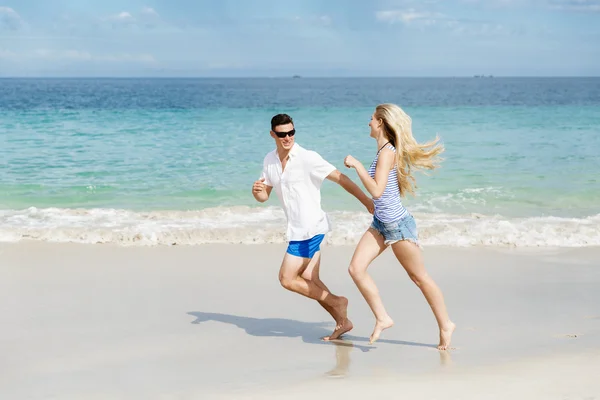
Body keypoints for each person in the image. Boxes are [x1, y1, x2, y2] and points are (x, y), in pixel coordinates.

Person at [343, 103, 455, 350]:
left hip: (397, 226)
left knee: (419, 277)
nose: (369, 122)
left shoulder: (387, 152)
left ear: (381, 122)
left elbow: (376, 190)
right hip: (381, 223)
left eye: (371, 118)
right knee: (355, 268)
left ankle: (446, 324)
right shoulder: (383, 150)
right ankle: (383, 317)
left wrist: (358, 166)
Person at [252, 113, 373, 341]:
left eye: (291, 132)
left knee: (287, 279)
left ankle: (338, 302)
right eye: (282, 134)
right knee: (310, 280)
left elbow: (341, 178)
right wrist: (257, 192)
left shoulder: (308, 158)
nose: (287, 138)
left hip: (311, 228)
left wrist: (367, 201)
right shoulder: (270, 160)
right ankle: (343, 322)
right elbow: (264, 195)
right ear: (272, 135)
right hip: (296, 229)